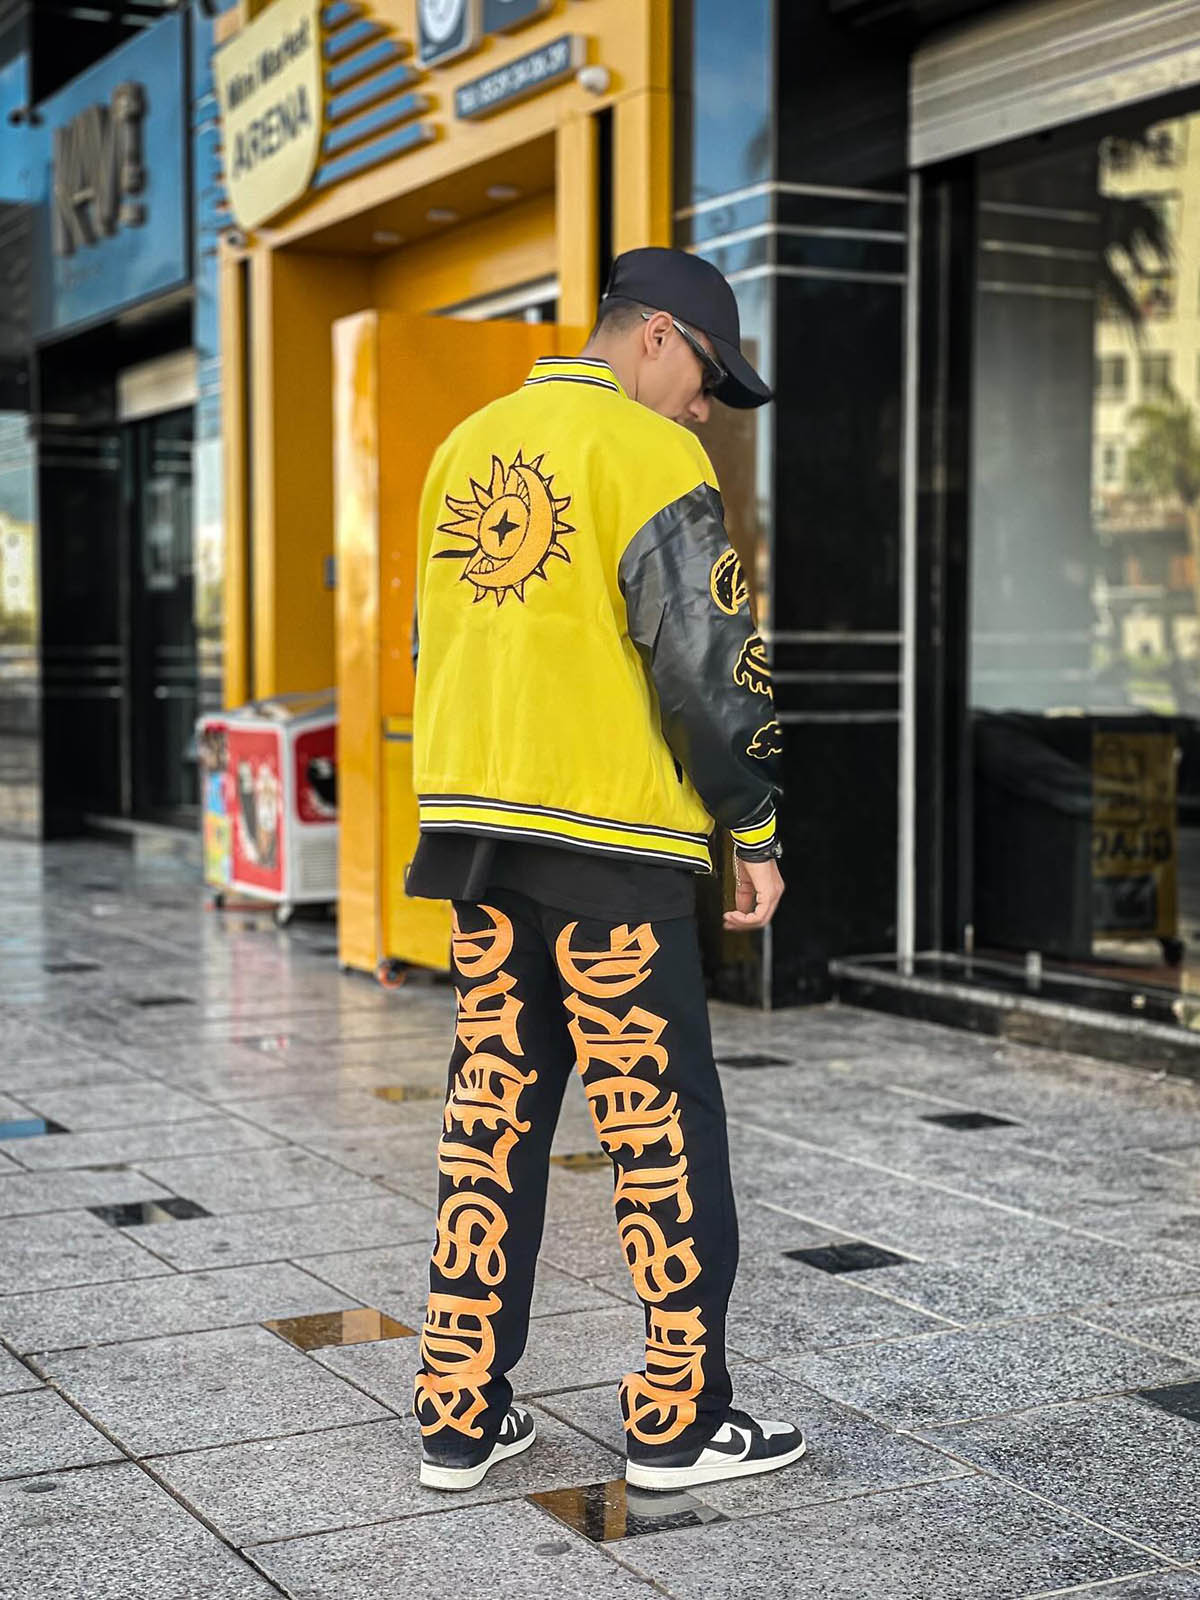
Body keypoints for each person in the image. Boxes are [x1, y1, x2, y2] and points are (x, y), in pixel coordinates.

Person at [407, 247, 805, 1494]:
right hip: (610, 854)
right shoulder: (649, 456)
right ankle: (676, 1423)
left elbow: (435, 642)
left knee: (491, 1121)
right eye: (708, 378)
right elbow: (708, 664)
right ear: (658, 337)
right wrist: (753, 826)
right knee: (659, 1132)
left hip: (478, 844)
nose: (706, 409)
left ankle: (458, 1414)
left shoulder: (463, 446)